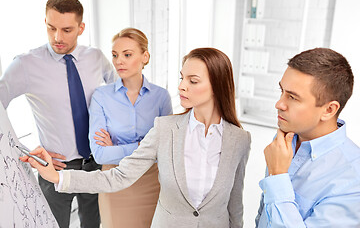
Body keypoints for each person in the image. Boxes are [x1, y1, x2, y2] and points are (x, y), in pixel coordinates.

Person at [21, 47, 251, 228]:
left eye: (193, 81)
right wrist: (57, 177)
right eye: (182, 78)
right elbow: (117, 177)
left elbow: (234, 203)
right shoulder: (165, 129)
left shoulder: (240, 140)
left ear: (217, 85)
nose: (181, 86)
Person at [0, 0, 118, 228]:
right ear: (45, 22)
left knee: (94, 224)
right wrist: (27, 151)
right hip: (55, 167)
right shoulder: (25, 65)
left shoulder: (95, 57)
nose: (57, 37)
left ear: (81, 27)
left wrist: (115, 133)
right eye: (51, 27)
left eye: (66, 30)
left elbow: (120, 95)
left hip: (95, 163)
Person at [255, 48, 360, 227]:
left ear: (329, 110)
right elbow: (265, 212)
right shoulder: (285, 139)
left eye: (293, 97)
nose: (279, 104)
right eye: (281, 91)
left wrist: (278, 176)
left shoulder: (353, 182)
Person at [89, 28, 172, 227]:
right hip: (114, 181)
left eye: (127, 55)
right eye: (115, 55)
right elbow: (100, 154)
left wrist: (116, 148)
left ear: (145, 57)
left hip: (152, 183)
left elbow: (166, 148)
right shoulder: (101, 96)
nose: (119, 61)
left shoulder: (161, 97)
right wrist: (144, 146)